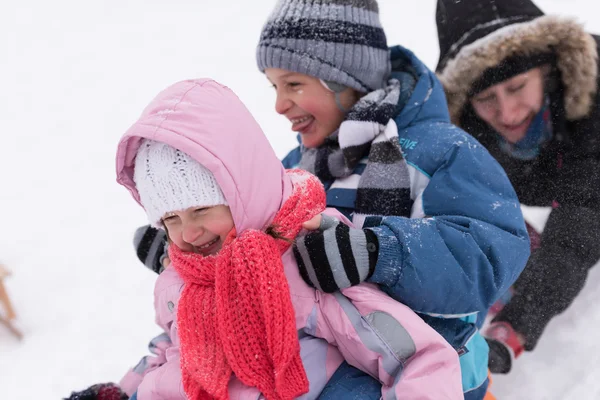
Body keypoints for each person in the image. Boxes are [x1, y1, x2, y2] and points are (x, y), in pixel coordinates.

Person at [68, 78, 463, 400]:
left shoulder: (302, 262)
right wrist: (121, 393)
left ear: (244, 192)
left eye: (202, 210)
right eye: (170, 218)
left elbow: (413, 355)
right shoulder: (181, 277)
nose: (188, 233)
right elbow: (168, 348)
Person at [253, 0, 531, 398]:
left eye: (294, 84)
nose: (279, 104)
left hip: (434, 375)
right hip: (329, 367)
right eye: (274, 86)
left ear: (346, 78)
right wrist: (187, 234)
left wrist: (380, 252)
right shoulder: (299, 168)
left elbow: (488, 253)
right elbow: (252, 235)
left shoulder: (440, 150)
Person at [435, 0, 600, 374]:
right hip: (555, 175)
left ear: (548, 68)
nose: (506, 113)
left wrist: (518, 325)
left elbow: (584, 213)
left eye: (516, 86)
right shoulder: (466, 125)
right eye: (486, 98)